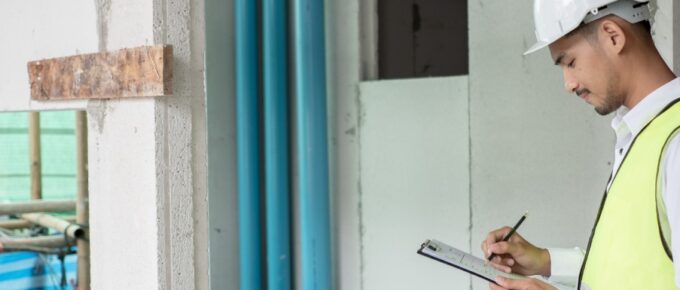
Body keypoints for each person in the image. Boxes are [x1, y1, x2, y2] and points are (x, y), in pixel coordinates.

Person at [481, 0, 680, 289]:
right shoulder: (644, 134)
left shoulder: (675, 142)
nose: (569, 84)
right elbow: (631, 268)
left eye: (570, 62)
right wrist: (544, 261)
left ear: (613, 36)